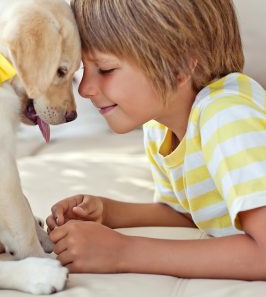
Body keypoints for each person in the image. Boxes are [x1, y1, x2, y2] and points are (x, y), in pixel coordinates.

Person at [46, 0, 266, 279]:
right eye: (82, 71)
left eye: (105, 69)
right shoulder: (161, 126)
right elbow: (191, 212)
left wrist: (122, 252)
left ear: (179, 68)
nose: (86, 89)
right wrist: (107, 213)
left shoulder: (227, 117)